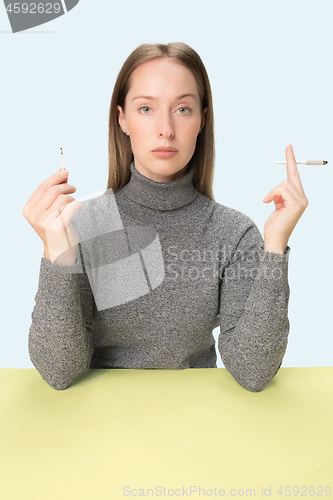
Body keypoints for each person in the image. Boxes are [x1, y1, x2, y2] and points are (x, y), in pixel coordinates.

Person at [22, 42, 308, 392]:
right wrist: (57, 254)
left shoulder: (233, 234)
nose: (166, 129)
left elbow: (253, 371)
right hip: (97, 432)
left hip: (197, 429)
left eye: (183, 109)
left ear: (203, 119)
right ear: (122, 119)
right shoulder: (81, 226)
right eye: (146, 108)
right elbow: (58, 370)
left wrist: (275, 246)